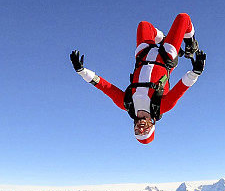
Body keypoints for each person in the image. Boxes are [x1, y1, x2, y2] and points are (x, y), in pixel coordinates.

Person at [70, 13, 206, 144]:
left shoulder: (127, 104)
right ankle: (191, 44)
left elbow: (105, 87)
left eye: (137, 131)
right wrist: (196, 72)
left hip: (142, 56)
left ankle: (164, 39)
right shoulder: (161, 107)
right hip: (166, 58)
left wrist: (82, 71)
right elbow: (181, 88)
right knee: (183, 18)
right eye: (145, 131)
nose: (141, 128)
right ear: (152, 126)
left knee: (144, 25)